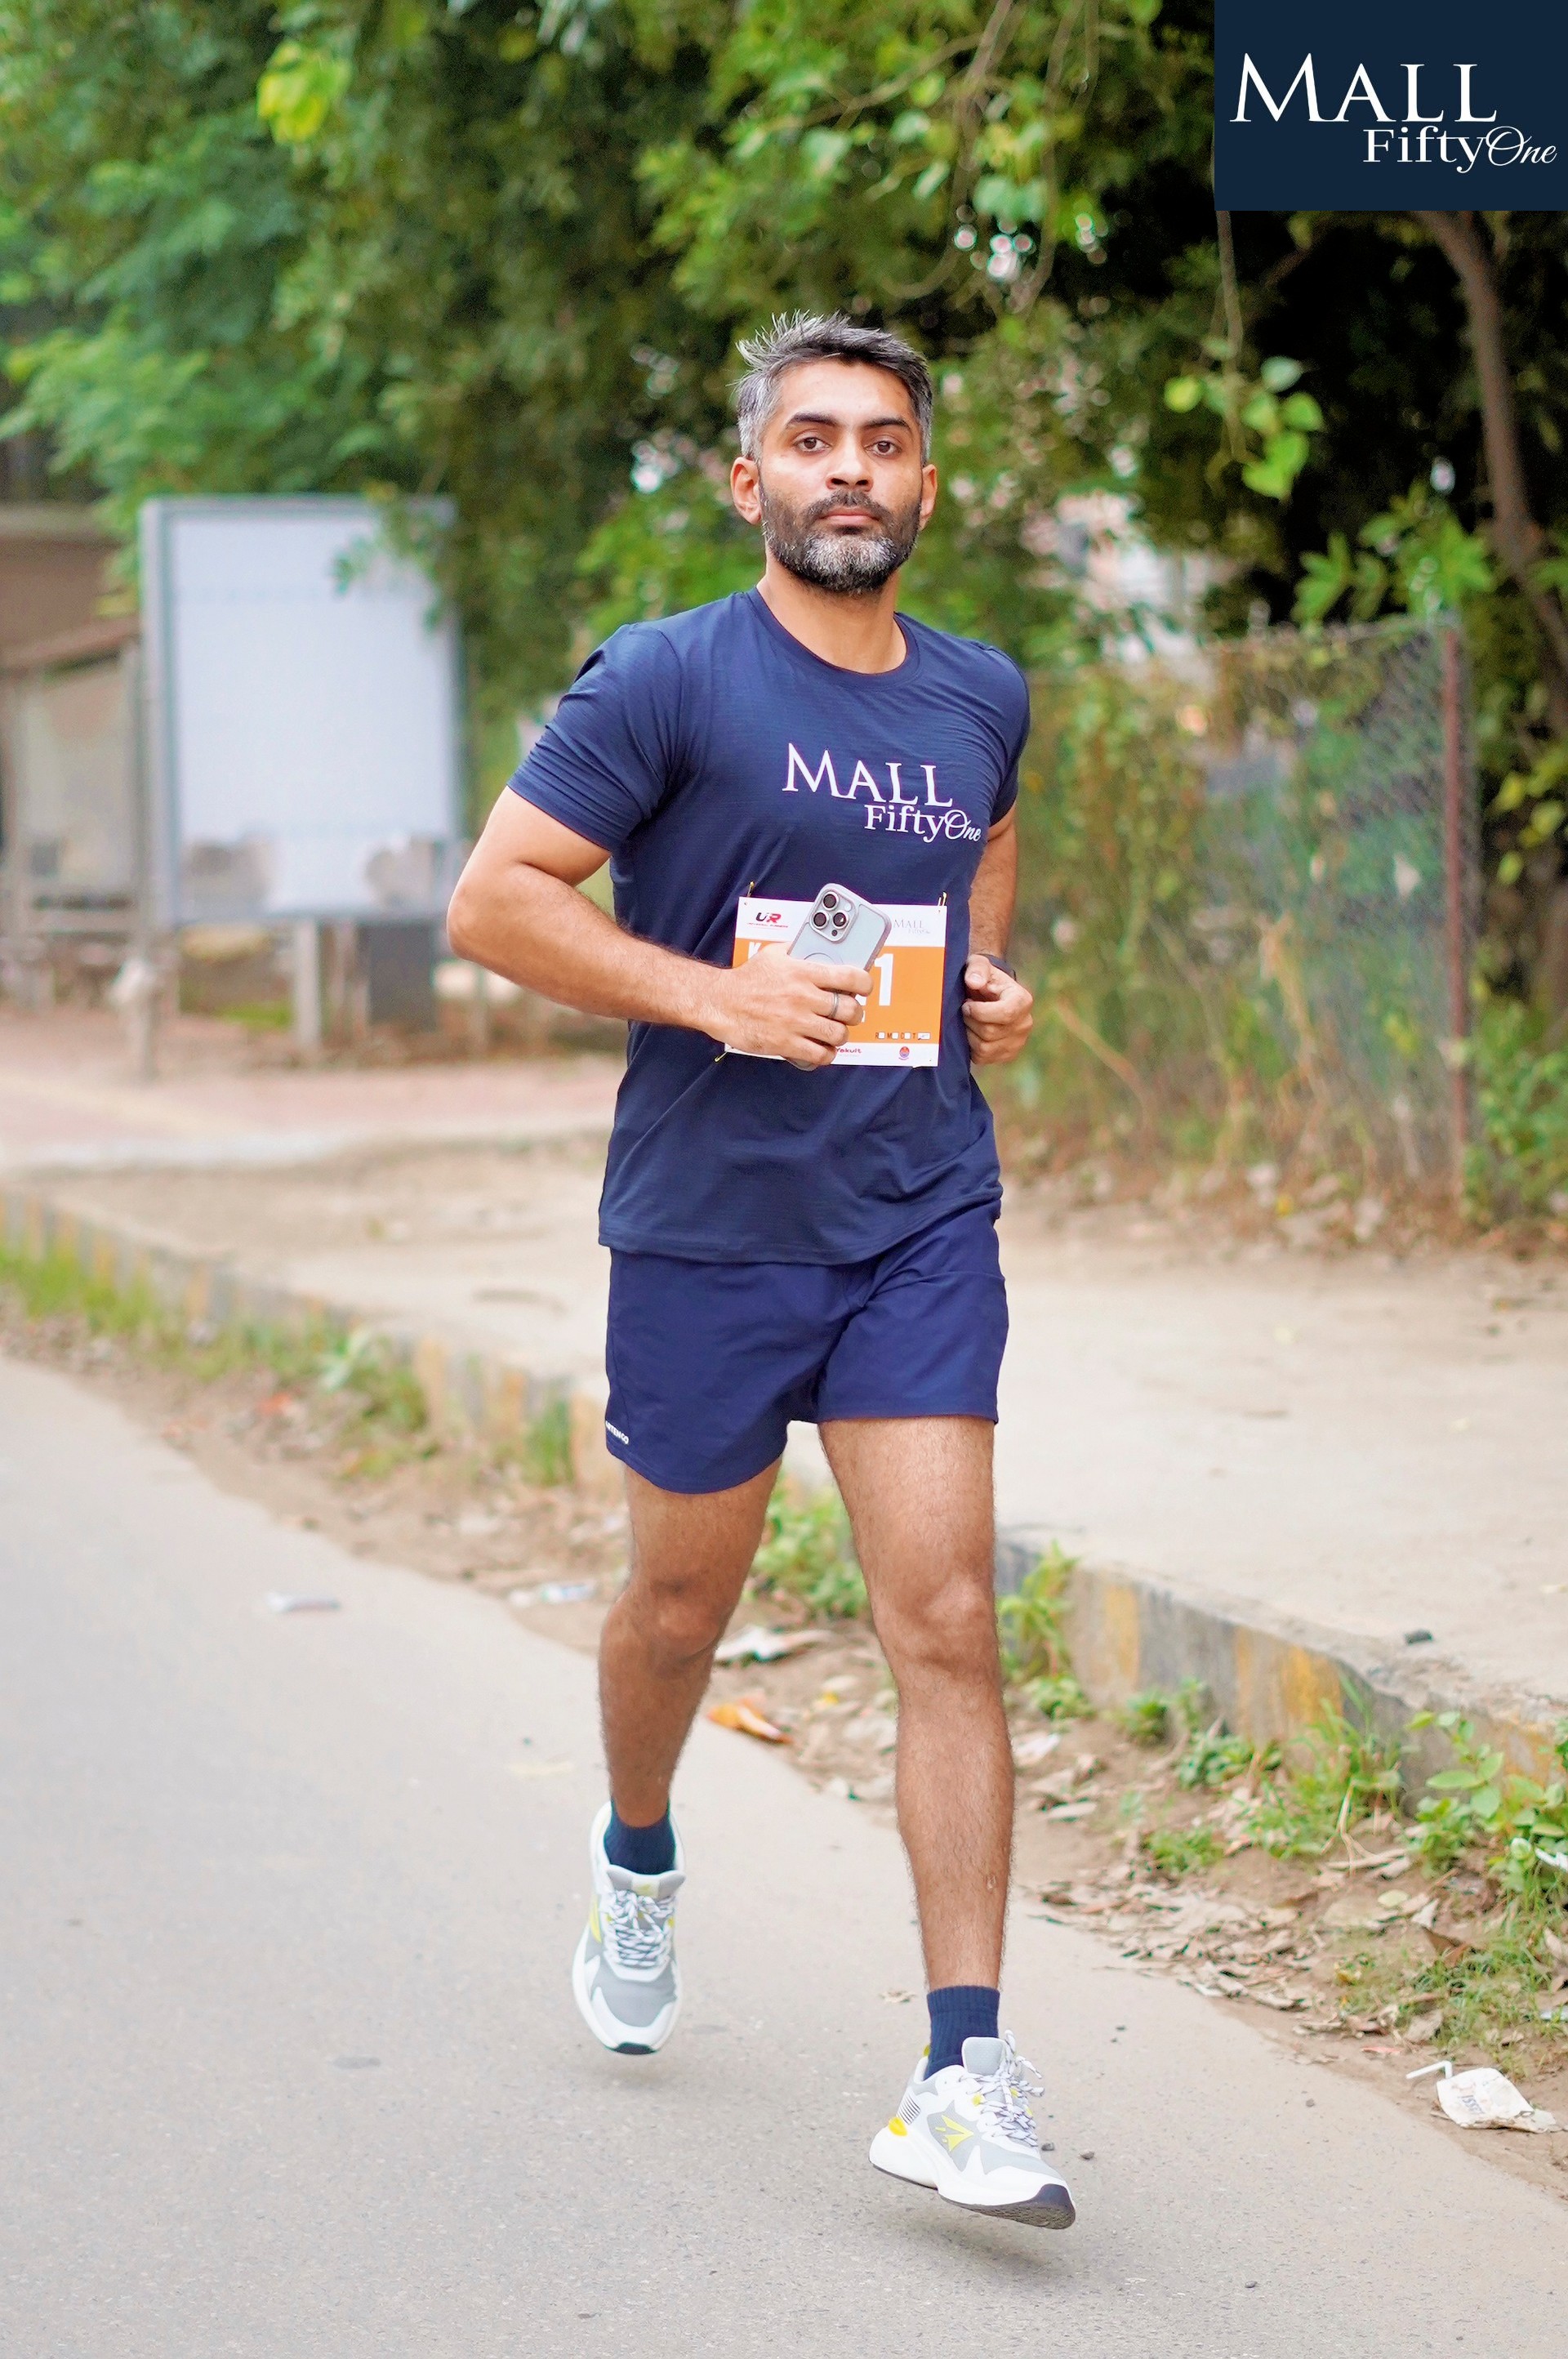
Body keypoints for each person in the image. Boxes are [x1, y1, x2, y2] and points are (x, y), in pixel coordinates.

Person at [448, 312, 1074, 2230]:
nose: (850, 467)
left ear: (926, 483)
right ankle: (638, 1854)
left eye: (883, 439)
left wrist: (992, 990)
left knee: (946, 1615)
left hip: (915, 1214)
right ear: (750, 481)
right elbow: (496, 902)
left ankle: (963, 2068)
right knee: (677, 1607)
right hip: (709, 1228)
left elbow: (980, 865)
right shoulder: (667, 678)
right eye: (813, 439)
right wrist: (711, 994)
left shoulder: (980, 692)